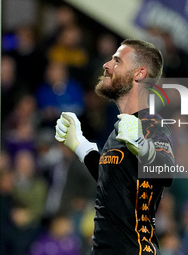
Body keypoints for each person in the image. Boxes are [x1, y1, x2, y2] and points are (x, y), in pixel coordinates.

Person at [55, 39, 175, 255]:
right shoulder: (121, 129)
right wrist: (80, 145)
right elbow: (110, 179)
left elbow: (165, 170)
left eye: (117, 61)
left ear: (139, 73)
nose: (107, 65)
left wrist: (140, 144)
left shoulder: (152, 124)